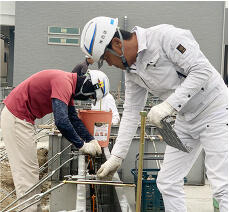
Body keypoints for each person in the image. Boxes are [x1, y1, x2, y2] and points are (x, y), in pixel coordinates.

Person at [80, 16, 228, 212]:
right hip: (185, 120)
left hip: (215, 112)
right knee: (167, 181)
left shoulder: (165, 37)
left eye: (106, 58)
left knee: (221, 186)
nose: (109, 64)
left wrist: (169, 106)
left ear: (116, 44)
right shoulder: (131, 72)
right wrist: (117, 157)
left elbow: (202, 70)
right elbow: (132, 112)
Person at [1, 69, 110, 212]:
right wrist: (81, 145)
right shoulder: (63, 83)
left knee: (31, 171)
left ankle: (34, 209)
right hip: (17, 118)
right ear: (89, 84)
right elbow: (61, 121)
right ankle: (29, 210)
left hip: (22, 119)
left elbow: (72, 118)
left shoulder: (67, 85)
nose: (89, 98)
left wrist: (91, 139)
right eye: (91, 95)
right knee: (25, 172)